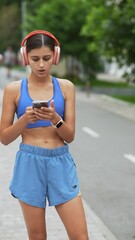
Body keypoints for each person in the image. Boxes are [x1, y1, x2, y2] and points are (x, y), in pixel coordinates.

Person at [0, 30, 89, 240]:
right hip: (29, 164)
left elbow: (70, 136)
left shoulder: (66, 87)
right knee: (38, 236)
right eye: (35, 59)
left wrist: (55, 118)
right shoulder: (13, 90)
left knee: (80, 236)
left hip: (60, 161)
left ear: (55, 57)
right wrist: (24, 121)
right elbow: (4, 138)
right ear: (25, 58)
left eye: (47, 59)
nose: (41, 64)